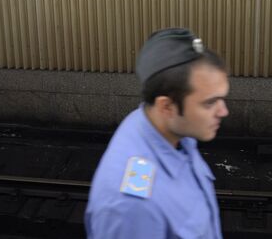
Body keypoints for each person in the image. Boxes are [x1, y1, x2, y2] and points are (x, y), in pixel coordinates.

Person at [85, 27, 229, 238]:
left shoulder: (166, 129)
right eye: (210, 103)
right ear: (166, 107)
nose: (224, 111)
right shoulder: (132, 208)